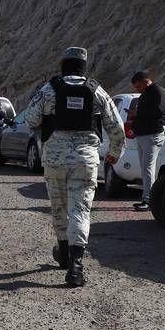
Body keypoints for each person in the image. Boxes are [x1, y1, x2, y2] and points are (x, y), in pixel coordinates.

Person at [26, 47, 125, 287]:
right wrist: (114, 154)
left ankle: (62, 252)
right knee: (80, 210)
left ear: (63, 66)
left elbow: (30, 119)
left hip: (54, 159)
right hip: (85, 160)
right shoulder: (97, 91)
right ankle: (75, 268)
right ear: (83, 67)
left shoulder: (49, 90)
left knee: (59, 208)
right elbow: (116, 127)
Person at [129, 71, 165, 212]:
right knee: (145, 169)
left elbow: (158, 112)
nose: (138, 90)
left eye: (139, 87)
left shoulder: (158, 92)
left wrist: (137, 114)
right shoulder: (145, 94)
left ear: (146, 81)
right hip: (143, 136)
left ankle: (149, 200)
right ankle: (147, 198)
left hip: (152, 136)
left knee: (147, 169)